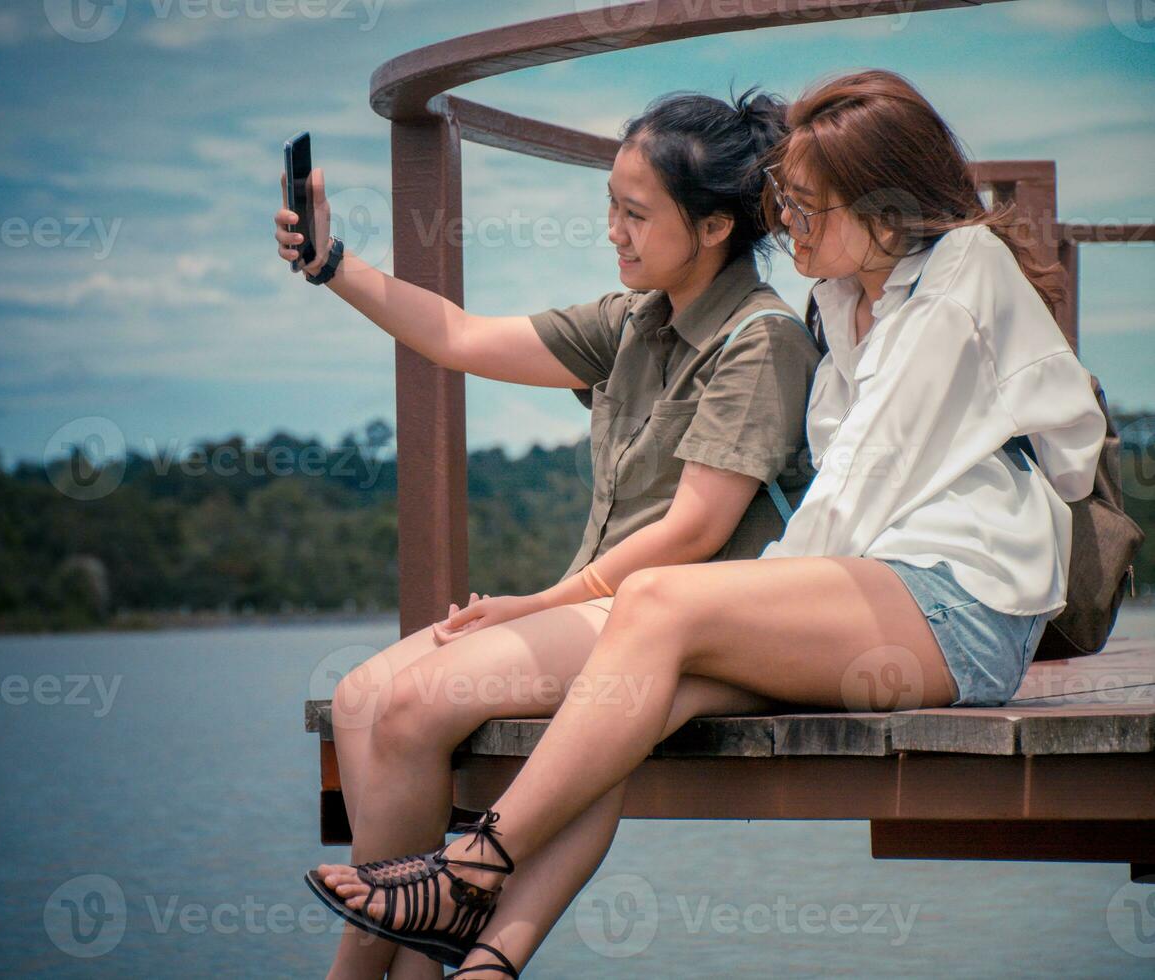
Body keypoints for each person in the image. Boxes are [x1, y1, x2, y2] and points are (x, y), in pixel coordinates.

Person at [305, 68, 1107, 978]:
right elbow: (460, 335)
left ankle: (467, 874)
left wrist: (708, 602)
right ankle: (491, 954)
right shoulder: (845, 299)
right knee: (645, 690)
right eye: (785, 202)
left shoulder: (953, 286)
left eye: (806, 207)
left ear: (883, 212)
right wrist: (335, 264)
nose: (787, 224)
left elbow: (849, 497)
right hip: (882, 590)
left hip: (958, 606)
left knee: (658, 610)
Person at [276, 88, 823, 978]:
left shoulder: (759, 342)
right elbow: (458, 335)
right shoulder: (636, 322)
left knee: (413, 707)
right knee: (359, 700)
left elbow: (695, 531)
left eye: (636, 213)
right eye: (612, 204)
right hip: (601, 607)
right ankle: (420, 950)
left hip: (687, 625)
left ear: (716, 226)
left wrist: (536, 601)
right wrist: (332, 261)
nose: (613, 229)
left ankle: (369, 964)